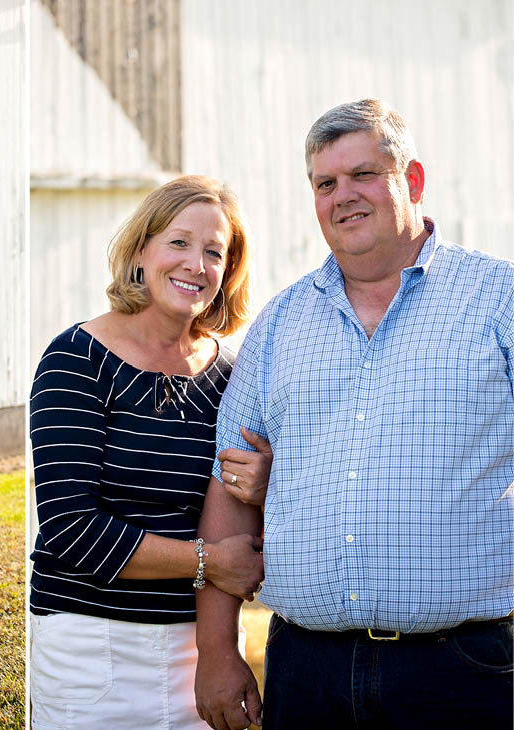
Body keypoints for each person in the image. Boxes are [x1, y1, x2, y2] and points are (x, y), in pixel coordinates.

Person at [194, 99, 514, 730]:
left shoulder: (498, 299)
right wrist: (218, 652)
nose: (343, 196)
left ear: (412, 180)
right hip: (307, 670)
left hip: (463, 669)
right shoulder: (280, 324)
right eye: (325, 183)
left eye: (363, 174)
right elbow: (228, 485)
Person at [29, 175, 273, 729]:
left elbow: (242, 511)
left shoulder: (233, 375)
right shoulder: (76, 358)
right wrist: (209, 561)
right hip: (92, 647)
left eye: (214, 252)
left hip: (203, 646)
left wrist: (267, 486)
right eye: (179, 242)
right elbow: (70, 528)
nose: (196, 264)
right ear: (141, 250)